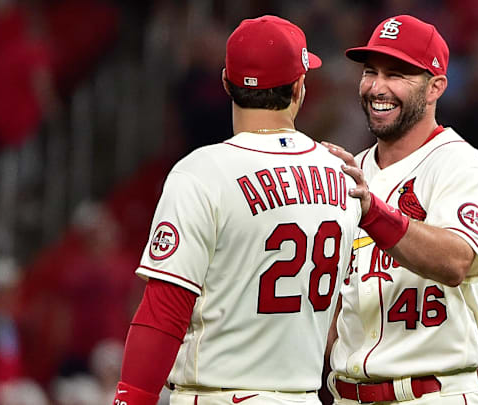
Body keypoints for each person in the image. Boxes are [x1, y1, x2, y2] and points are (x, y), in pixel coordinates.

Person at [112, 15, 361, 405]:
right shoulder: (342, 173)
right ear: (299, 87)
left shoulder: (202, 172)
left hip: (218, 393)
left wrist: (131, 399)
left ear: (226, 82)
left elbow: (165, 311)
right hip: (304, 394)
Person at [323, 15, 478, 405]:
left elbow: (457, 260)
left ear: (436, 86)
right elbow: (333, 313)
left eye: (398, 74)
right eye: (371, 71)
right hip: (347, 395)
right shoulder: (352, 172)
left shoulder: (461, 166)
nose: (377, 87)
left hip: (434, 394)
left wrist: (374, 212)